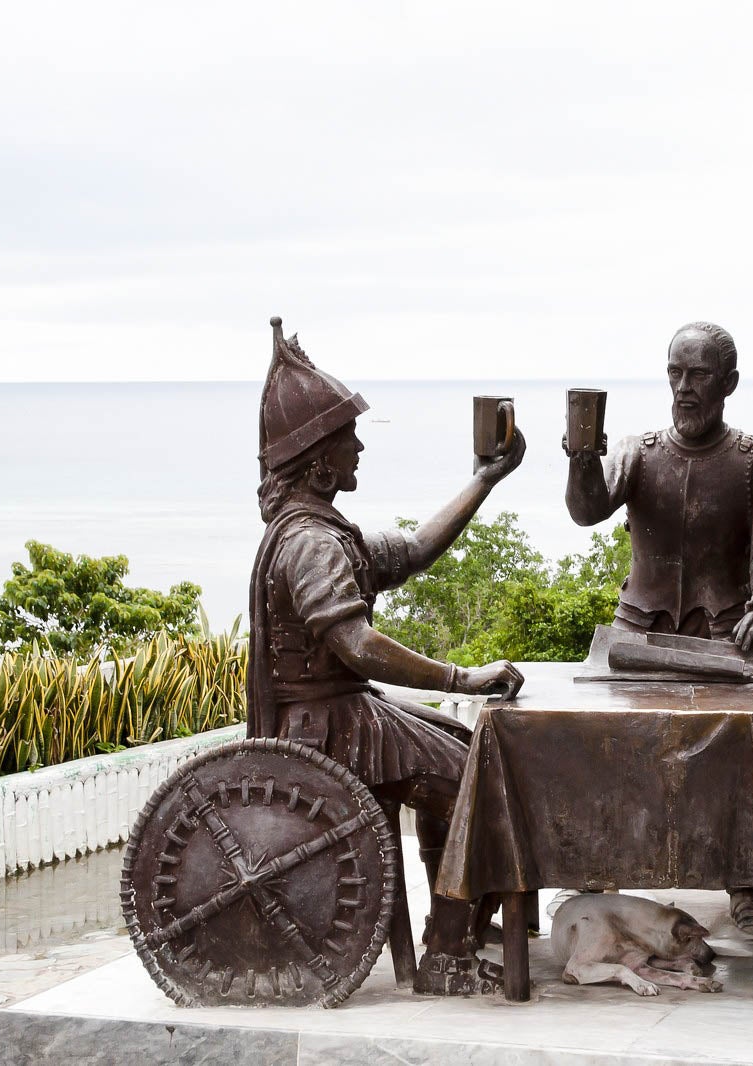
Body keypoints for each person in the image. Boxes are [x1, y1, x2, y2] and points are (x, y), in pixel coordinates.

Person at [249, 317, 526, 997]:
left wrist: (485, 480)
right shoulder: (310, 544)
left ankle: (450, 923)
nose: (360, 448)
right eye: (349, 438)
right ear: (319, 460)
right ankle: (446, 953)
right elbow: (358, 645)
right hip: (330, 731)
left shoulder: (324, 533)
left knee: (470, 752)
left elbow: (417, 549)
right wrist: (461, 677)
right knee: (482, 788)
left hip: (347, 714)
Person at [564, 320, 753, 933]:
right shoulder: (638, 452)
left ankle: (747, 883)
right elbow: (587, 510)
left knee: (740, 755)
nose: (684, 387)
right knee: (609, 747)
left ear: (729, 383)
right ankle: (596, 870)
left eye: (699, 375)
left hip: (725, 639)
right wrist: (582, 458)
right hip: (636, 634)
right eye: (675, 373)